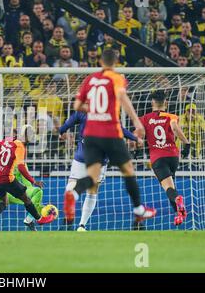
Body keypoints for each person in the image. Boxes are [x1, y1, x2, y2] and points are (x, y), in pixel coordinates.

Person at [65, 49, 157, 225]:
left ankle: (73, 193)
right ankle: (138, 210)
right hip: (110, 133)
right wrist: (137, 123)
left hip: (90, 135)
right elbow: (122, 97)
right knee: (128, 170)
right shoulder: (116, 78)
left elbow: (77, 105)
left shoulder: (89, 79)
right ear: (115, 62)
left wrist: (93, 109)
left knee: (92, 177)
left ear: (100, 61)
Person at [60, 111, 141, 231]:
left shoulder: (83, 113)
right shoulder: (110, 114)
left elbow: (66, 125)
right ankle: (81, 225)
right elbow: (121, 130)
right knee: (92, 191)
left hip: (82, 155)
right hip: (100, 159)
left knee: (73, 183)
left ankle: (69, 208)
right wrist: (135, 138)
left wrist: (62, 131)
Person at [0, 125, 56, 231]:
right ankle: (39, 219)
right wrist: (33, 181)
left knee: (4, 201)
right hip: (7, 179)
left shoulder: (8, 139)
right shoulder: (20, 147)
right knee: (26, 199)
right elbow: (21, 168)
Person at [140, 90, 190, 225]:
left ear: (152, 102)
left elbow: (139, 134)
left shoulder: (145, 118)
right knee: (170, 187)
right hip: (173, 157)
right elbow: (174, 127)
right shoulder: (171, 116)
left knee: (168, 188)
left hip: (158, 158)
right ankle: (179, 214)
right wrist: (186, 143)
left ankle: (179, 202)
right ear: (165, 103)